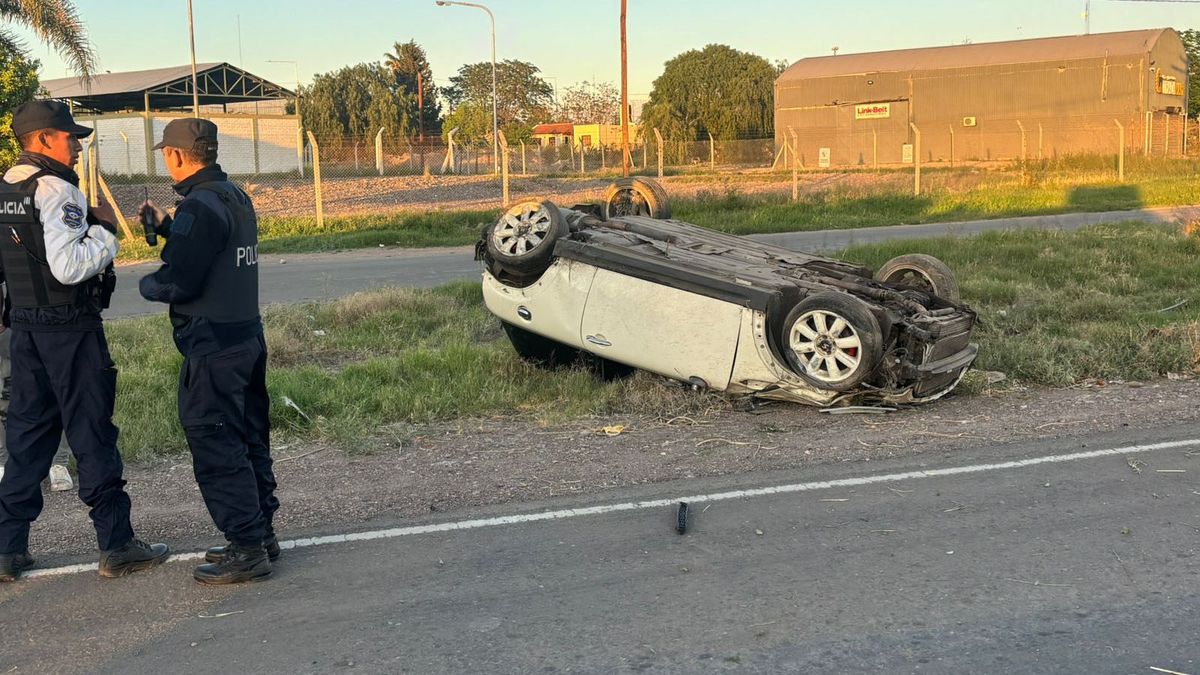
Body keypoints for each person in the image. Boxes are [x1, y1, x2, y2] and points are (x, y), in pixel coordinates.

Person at [0, 100, 169, 582]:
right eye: (69, 137)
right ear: (44, 139)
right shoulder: (57, 191)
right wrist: (107, 231)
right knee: (92, 433)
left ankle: (7, 548)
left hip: (26, 333)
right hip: (69, 330)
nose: (76, 146)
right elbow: (70, 266)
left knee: (27, 438)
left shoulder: (6, 187)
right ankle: (117, 546)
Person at [138, 118, 277, 585]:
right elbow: (206, 250)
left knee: (216, 443)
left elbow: (180, 279)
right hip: (246, 339)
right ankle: (261, 534)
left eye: (165, 153)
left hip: (213, 347)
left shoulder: (200, 206)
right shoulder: (234, 197)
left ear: (176, 155)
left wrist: (146, 284)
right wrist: (165, 229)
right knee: (249, 438)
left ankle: (246, 548)